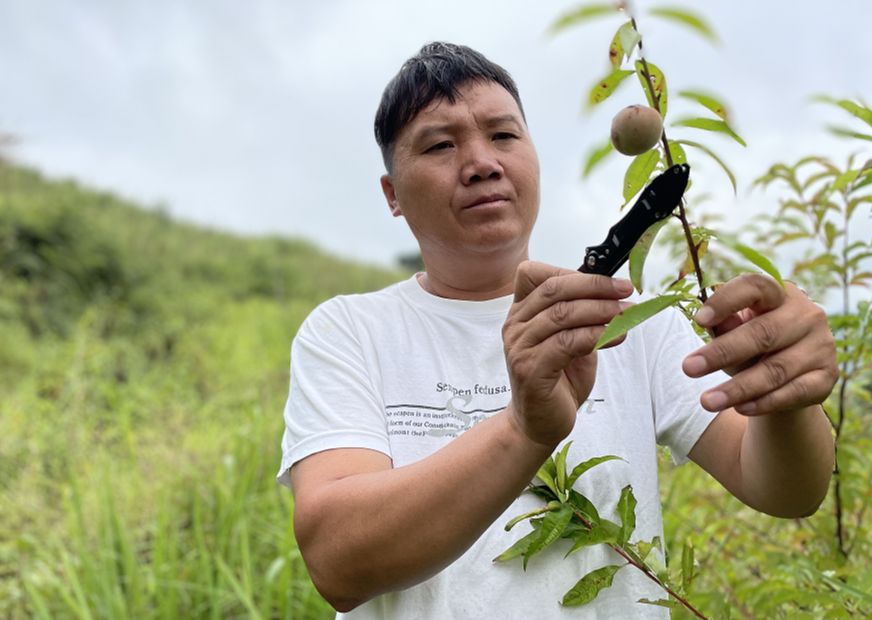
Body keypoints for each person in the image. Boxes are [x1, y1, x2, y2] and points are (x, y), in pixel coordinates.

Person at [277, 42, 837, 619]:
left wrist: (787, 398)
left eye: (504, 135)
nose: (482, 163)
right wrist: (524, 431)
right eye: (441, 144)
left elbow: (788, 491)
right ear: (393, 194)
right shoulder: (349, 331)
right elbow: (338, 562)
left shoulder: (631, 320)